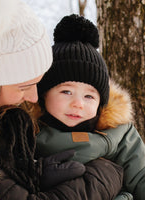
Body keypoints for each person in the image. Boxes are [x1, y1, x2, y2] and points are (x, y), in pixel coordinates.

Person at [0, 0, 123, 199]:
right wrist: (101, 177)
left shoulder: (2, 118)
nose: (33, 98)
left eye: (36, 85)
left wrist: (34, 174)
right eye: (24, 87)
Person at [36, 14, 145, 200]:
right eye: (66, 92)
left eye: (89, 96)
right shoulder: (22, 133)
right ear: (43, 94)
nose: (78, 104)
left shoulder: (119, 134)